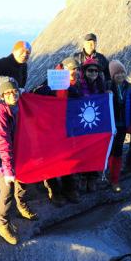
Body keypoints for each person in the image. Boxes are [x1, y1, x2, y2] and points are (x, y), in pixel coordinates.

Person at [0, 76, 38, 245]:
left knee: (23, 181)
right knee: (7, 190)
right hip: (3, 158)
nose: (12, 95)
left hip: (21, 152)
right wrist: (8, 170)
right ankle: (2, 224)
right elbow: (3, 144)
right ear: (2, 95)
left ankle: (21, 206)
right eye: (7, 93)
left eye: (14, 91)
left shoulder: (21, 104)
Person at [32, 57, 82, 205]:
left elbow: (78, 99)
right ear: (64, 69)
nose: (75, 72)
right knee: (52, 160)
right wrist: (48, 89)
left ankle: (69, 188)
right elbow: (36, 94)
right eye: (72, 69)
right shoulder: (50, 83)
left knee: (68, 158)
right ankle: (54, 190)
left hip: (67, 130)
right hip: (50, 131)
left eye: (77, 69)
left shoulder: (72, 87)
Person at [106, 60, 131, 192]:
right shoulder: (107, 87)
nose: (120, 75)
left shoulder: (129, 87)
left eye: (122, 72)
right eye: (117, 73)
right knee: (109, 151)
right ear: (112, 75)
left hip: (122, 125)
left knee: (118, 151)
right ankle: (108, 174)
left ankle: (114, 179)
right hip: (109, 125)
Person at [78, 56, 107, 192]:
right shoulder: (78, 86)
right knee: (84, 151)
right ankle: (83, 177)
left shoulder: (102, 85)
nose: (93, 73)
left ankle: (92, 177)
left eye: (96, 71)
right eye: (90, 70)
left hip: (96, 124)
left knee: (95, 150)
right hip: (82, 125)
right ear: (84, 71)